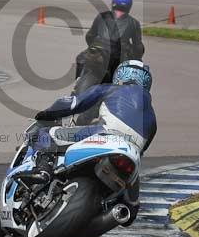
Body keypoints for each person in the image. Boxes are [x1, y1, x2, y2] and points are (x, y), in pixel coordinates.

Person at [23, 61, 157, 192]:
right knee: (130, 195)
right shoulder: (152, 116)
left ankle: (43, 170)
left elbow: (72, 104)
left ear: (120, 75)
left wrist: (47, 114)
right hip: (131, 151)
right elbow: (142, 150)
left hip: (107, 134)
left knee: (45, 135)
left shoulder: (111, 88)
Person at [74, 0, 145, 96]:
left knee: (81, 58)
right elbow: (138, 47)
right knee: (132, 76)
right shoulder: (134, 23)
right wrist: (137, 56)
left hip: (98, 57)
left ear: (113, 3)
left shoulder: (101, 16)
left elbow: (89, 36)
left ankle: (78, 82)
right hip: (118, 60)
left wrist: (93, 46)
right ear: (129, 7)